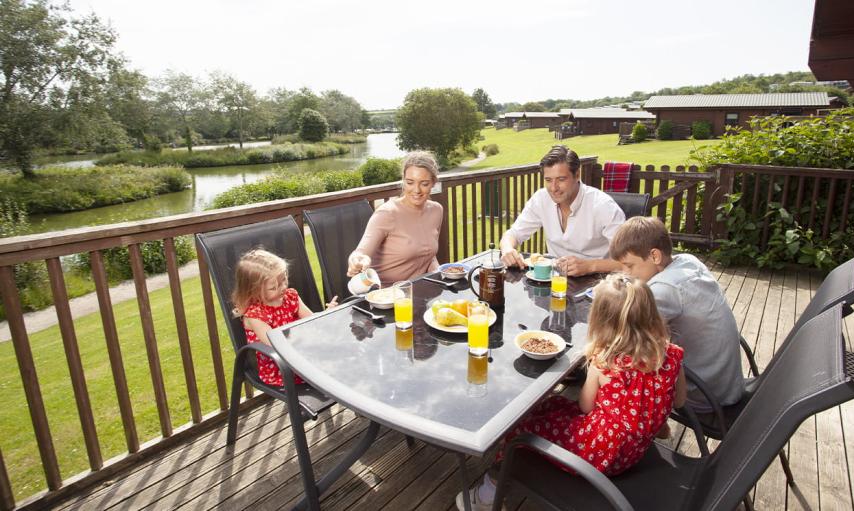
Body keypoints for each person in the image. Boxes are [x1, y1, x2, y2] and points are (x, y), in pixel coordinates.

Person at [457, 274, 686, 511]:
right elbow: (678, 401)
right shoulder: (672, 354)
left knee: (519, 431)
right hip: (633, 451)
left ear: (602, 321)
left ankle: (485, 498)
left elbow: (585, 406)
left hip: (599, 457)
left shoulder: (606, 360)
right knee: (552, 403)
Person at [609, 216, 744, 411]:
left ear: (655, 256)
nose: (625, 273)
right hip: (726, 381)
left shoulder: (663, 289)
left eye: (629, 266)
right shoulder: (688, 260)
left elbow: (625, 337)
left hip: (702, 392)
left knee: (613, 364)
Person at [499, 145, 625, 277]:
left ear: (577, 175)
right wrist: (507, 249)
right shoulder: (541, 199)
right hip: (555, 280)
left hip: (598, 284)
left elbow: (630, 262)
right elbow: (513, 234)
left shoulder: (603, 206)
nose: (553, 188)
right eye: (548, 180)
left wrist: (590, 266)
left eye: (561, 179)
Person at [232, 249, 337, 387]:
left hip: (300, 350)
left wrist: (326, 314)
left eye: (284, 280)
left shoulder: (290, 296)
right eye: (273, 287)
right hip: (280, 365)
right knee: (333, 364)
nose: (282, 287)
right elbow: (276, 343)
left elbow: (311, 320)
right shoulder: (255, 315)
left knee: (339, 353)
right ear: (254, 290)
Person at [347, 151, 443, 285]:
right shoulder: (386, 213)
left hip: (419, 291)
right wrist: (357, 260)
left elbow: (429, 256)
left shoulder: (436, 210)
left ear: (433, 183)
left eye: (424, 184)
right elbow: (361, 252)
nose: (416, 190)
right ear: (403, 180)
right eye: (410, 182)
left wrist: (440, 276)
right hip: (385, 295)